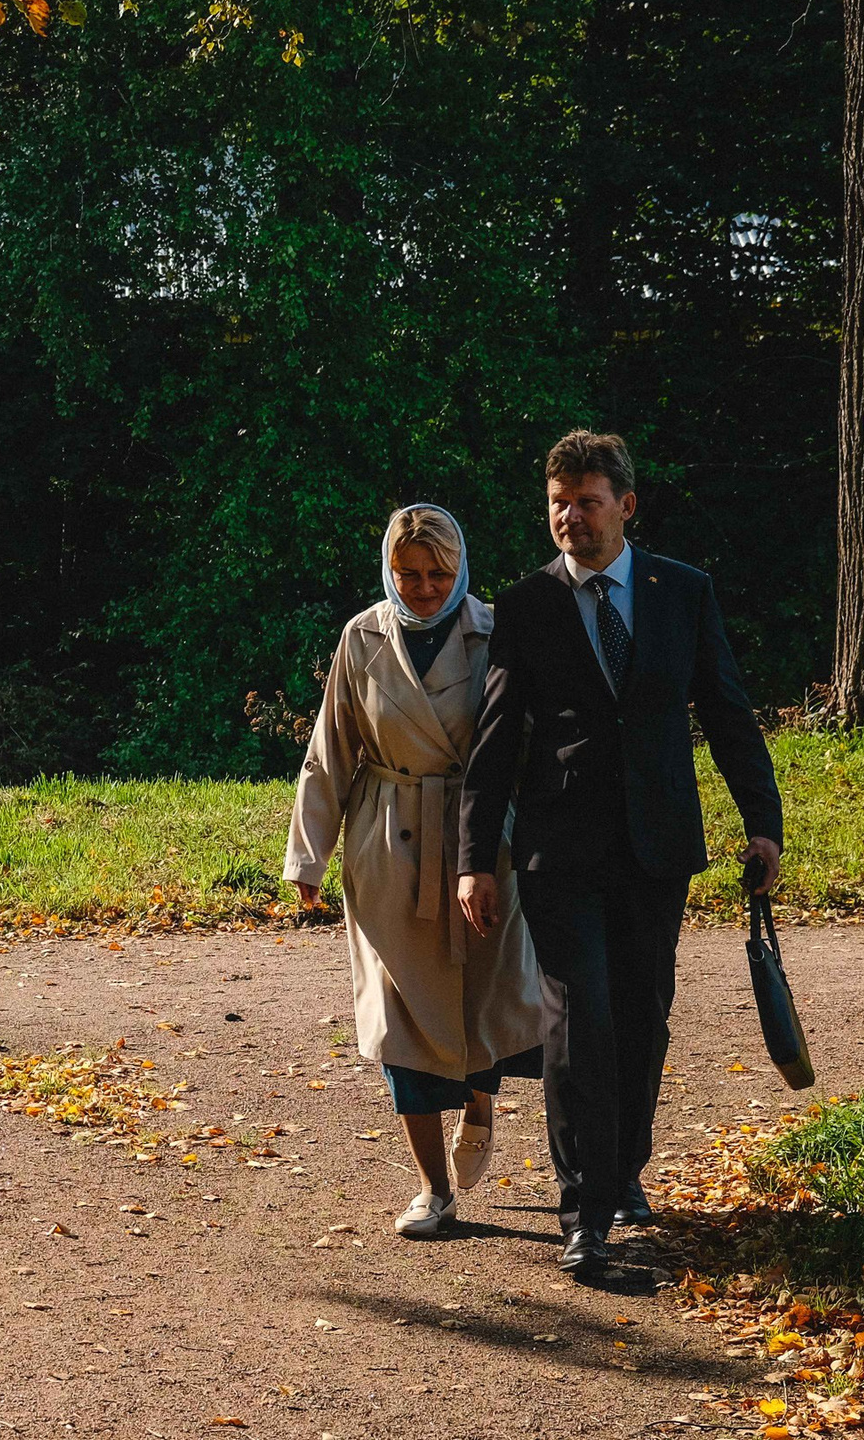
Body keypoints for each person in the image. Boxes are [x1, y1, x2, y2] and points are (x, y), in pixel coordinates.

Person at [455, 431, 783, 1278]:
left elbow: (727, 711)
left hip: (657, 844)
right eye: (558, 502)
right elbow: (494, 742)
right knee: (577, 1018)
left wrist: (763, 820)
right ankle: (584, 1210)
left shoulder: (684, 592)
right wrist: (472, 858)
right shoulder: (526, 606)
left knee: (642, 1013)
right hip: (558, 851)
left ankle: (624, 1167)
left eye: (587, 501)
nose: (570, 517)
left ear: (626, 506)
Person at [285, 504, 546, 1239]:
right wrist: (309, 853)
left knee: (489, 998)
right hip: (388, 843)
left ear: (462, 567)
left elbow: (533, 742)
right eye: (409, 573)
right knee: (399, 1019)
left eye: (440, 572)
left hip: (482, 839)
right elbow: (329, 748)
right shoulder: (361, 637)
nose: (426, 587)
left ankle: (481, 1098)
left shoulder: (496, 632)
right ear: (388, 570)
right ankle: (433, 1187)